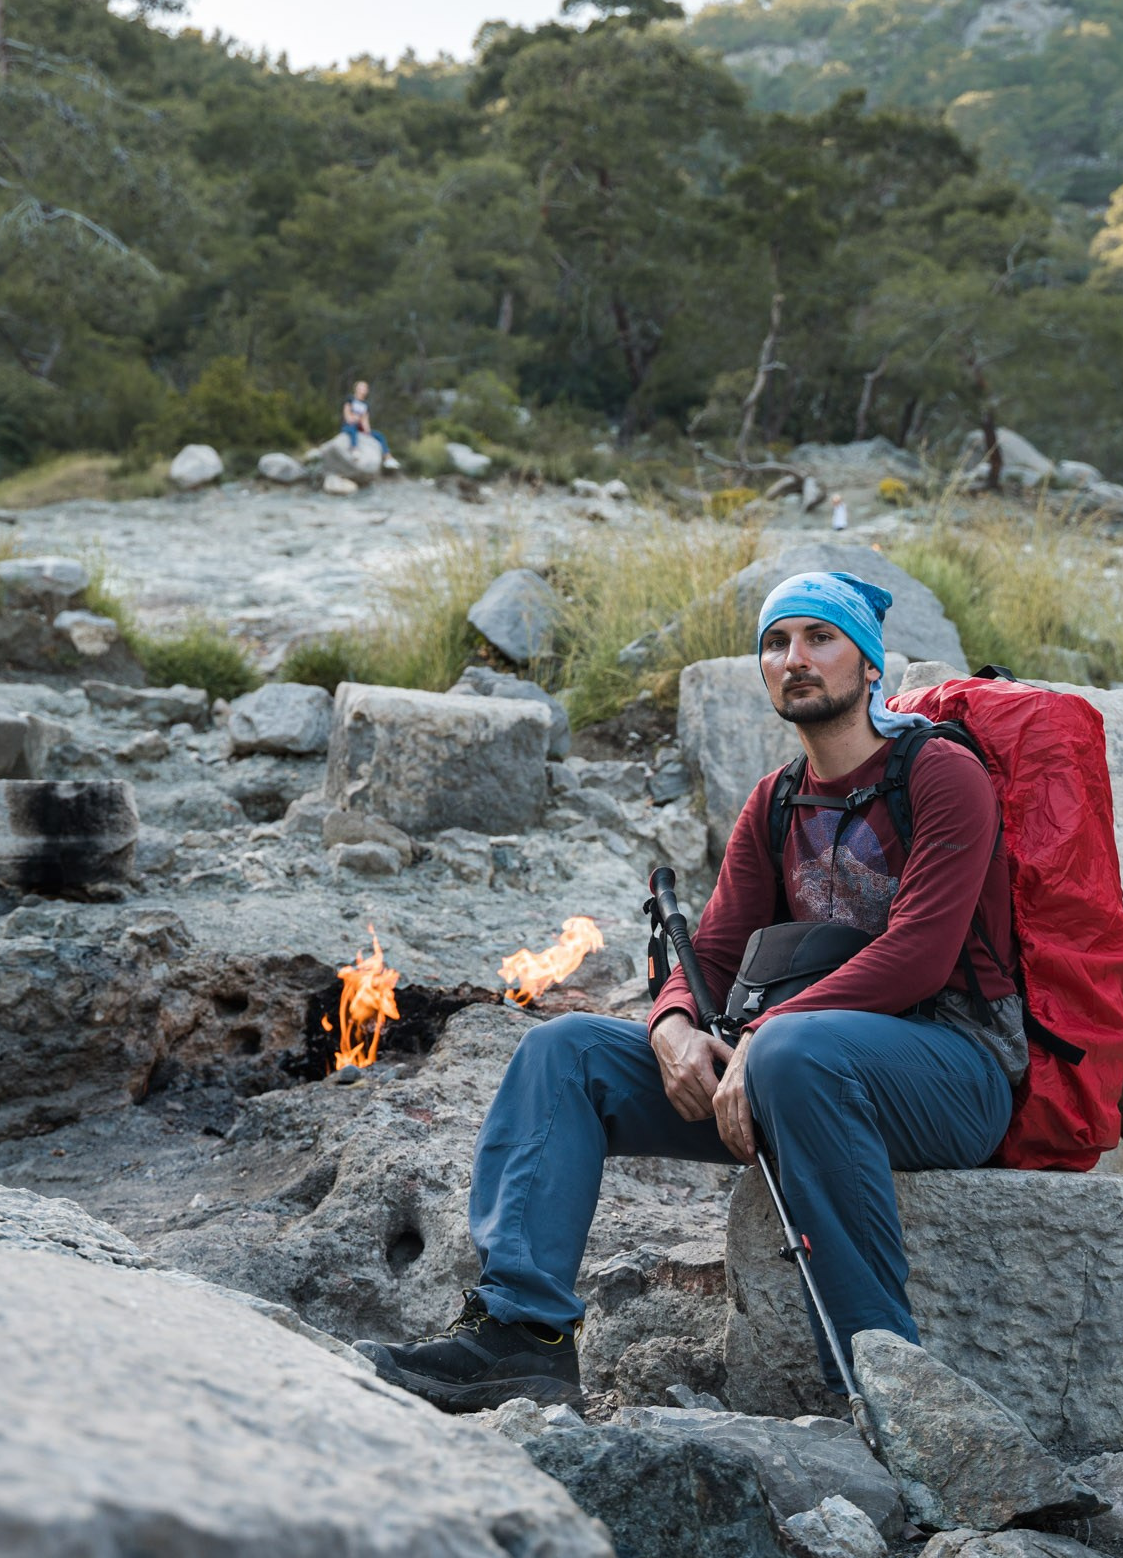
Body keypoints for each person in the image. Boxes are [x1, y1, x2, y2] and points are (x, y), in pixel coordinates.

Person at [354, 570, 1022, 1412]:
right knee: (565, 1051)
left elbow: (922, 954)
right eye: (776, 643)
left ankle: (881, 1382)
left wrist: (766, 1034)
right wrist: (672, 1021)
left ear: (869, 661)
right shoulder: (776, 801)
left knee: (791, 1051)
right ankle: (521, 1338)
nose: (795, 659)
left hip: (953, 1071)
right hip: (795, 1066)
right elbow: (706, 950)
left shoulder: (939, 775)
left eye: (820, 637)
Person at [340, 379, 390, 466]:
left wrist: (367, 430)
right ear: (356, 388)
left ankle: (388, 457)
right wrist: (357, 419)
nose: (364, 389)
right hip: (348, 427)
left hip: (360, 428)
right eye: (362, 387)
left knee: (379, 435)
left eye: (365, 388)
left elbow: (365, 420)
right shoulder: (350, 399)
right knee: (353, 427)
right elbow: (347, 416)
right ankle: (354, 448)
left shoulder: (365, 405)